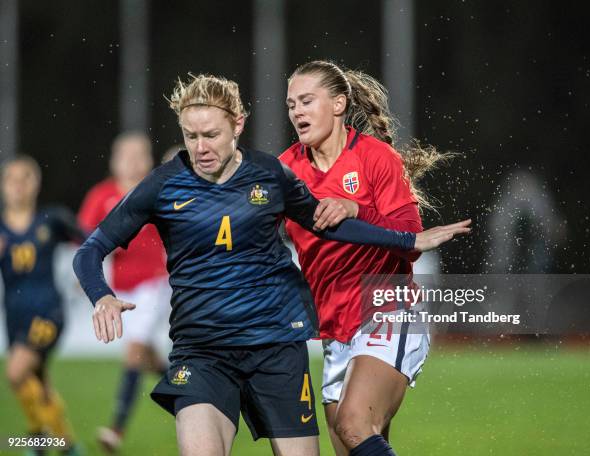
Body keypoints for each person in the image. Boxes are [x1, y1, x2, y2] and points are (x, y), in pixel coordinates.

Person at [72, 73, 470, 456]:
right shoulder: (163, 184)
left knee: (351, 430)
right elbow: (89, 250)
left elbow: (328, 225)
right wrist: (101, 295)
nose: (200, 147)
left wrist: (409, 239)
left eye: (211, 134)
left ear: (238, 125)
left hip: (276, 346)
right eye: (190, 136)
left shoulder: (270, 174)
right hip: (203, 350)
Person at [281, 60, 453, 456]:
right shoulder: (286, 170)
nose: (297, 112)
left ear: (339, 104)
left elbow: (410, 239)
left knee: (353, 422)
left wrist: (357, 210)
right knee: (353, 440)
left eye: (307, 101)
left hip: (386, 309)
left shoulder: (376, 158)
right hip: (334, 328)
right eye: (291, 105)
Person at [77, 131, 171, 453]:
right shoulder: (101, 196)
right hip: (119, 289)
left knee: (133, 352)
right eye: (126, 155)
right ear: (113, 160)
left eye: (138, 154)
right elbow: (85, 242)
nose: (132, 161)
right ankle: (191, 388)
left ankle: (116, 429)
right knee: (146, 357)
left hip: (155, 284)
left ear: (148, 160)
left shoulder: (157, 191)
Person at [0, 155, 84, 455]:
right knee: (37, 382)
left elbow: (91, 242)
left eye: (26, 178)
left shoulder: (53, 218)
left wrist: (87, 275)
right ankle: (65, 445)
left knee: (15, 372)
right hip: (14, 318)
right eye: (11, 178)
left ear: (36, 184)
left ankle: (40, 439)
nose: (18, 185)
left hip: (49, 311)